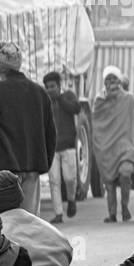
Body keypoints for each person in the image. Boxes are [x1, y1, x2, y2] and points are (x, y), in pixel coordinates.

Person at [0, 43, 55, 217]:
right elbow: (50, 133)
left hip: (7, 167)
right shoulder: (40, 93)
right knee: (30, 221)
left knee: (8, 222)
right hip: (33, 167)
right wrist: (44, 162)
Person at [92, 66, 134, 223]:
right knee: (109, 183)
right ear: (104, 83)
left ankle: (125, 208)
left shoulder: (129, 99)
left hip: (128, 147)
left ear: (119, 82)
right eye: (108, 80)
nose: (111, 83)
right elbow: (97, 126)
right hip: (107, 149)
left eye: (114, 79)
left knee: (125, 173)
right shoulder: (99, 101)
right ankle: (112, 214)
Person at [43, 71, 82, 223]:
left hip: (68, 146)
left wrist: (60, 98)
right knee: (54, 181)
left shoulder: (68, 96)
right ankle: (58, 213)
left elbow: (76, 108)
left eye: (52, 86)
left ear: (59, 86)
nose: (49, 90)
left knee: (70, 178)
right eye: (47, 87)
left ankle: (71, 200)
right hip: (51, 148)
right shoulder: (45, 102)